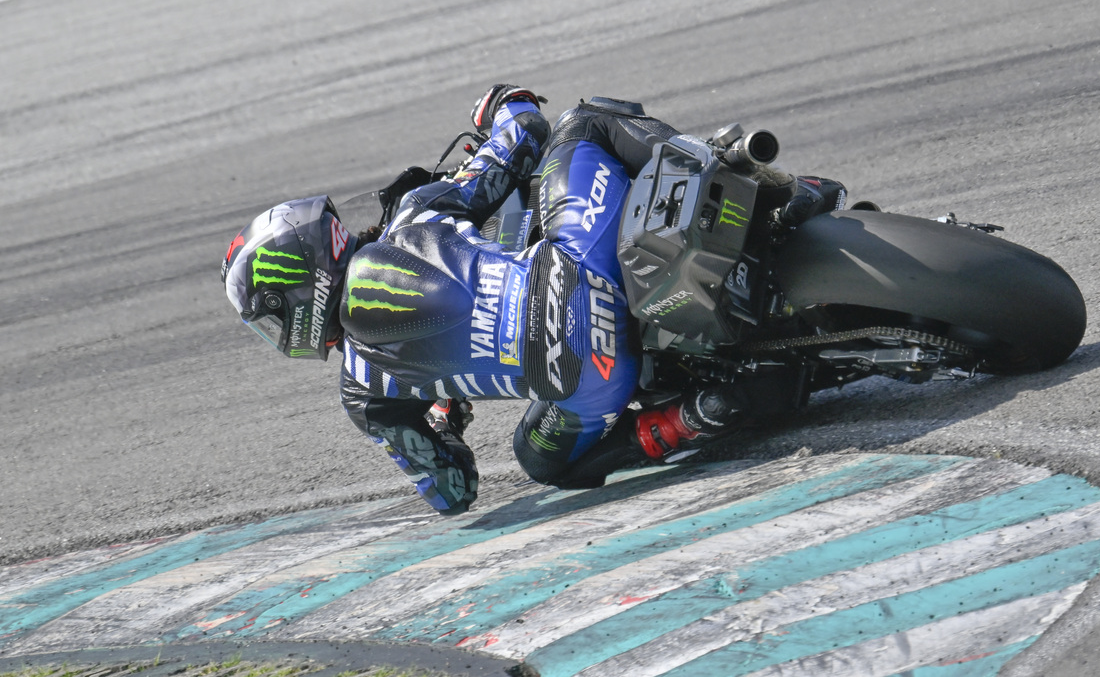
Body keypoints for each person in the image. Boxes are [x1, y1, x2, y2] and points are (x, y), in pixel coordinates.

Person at [222, 86, 844, 515]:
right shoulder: (414, 216)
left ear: (299, 291)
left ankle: (694, 415)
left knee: (542, 463)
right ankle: (753, 181)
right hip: (587, 260)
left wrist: (441, 419)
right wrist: (506, 103)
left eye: (270, 321)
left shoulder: (365, 395)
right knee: (588, 122)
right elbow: (524, 137)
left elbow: (453, 492)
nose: (277, 334)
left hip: (590, 380)